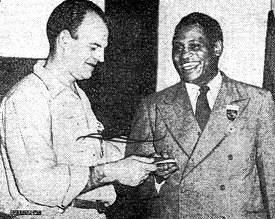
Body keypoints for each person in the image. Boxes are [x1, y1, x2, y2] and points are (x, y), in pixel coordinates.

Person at [0, 1, 156, 218]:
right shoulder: (28, 97)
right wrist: (115, 171)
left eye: (103, 49)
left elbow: (91, 153)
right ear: (64, 40)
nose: (101, 58)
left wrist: (145, 151)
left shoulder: (76, 93)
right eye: (93, 47)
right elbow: (38, 184)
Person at [126, 12, 275, 219]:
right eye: (178, 48)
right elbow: (132, 187)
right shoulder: (153, 107)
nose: (184, 56)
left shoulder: (257, 101)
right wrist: (157, 178)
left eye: (195, 46)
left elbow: (272, 180)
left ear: (217, 48)